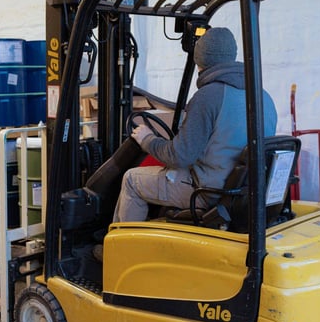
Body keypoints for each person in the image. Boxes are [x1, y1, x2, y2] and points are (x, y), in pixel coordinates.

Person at [113, 27, 278, 223]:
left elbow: (180, 156)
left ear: (200, 60)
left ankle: (124, 250)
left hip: (209, 193)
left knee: (132, 179)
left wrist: (147, 139)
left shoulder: (208, 96)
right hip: (243, 191)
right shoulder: (263, 96)